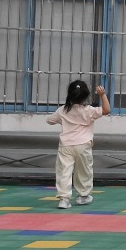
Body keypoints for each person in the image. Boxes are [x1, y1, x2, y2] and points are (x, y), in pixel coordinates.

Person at [46, 80, 110, 210]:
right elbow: (106, 110)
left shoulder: (62, 110)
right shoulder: (89, 110)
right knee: (84, 171)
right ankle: (83, 196)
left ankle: (64, 199)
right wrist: (102, 95)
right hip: (83, 145)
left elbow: (49, 121)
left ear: (70, 94)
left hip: (66, 145)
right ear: (86, 95)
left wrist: (64, 120)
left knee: (64, 171)